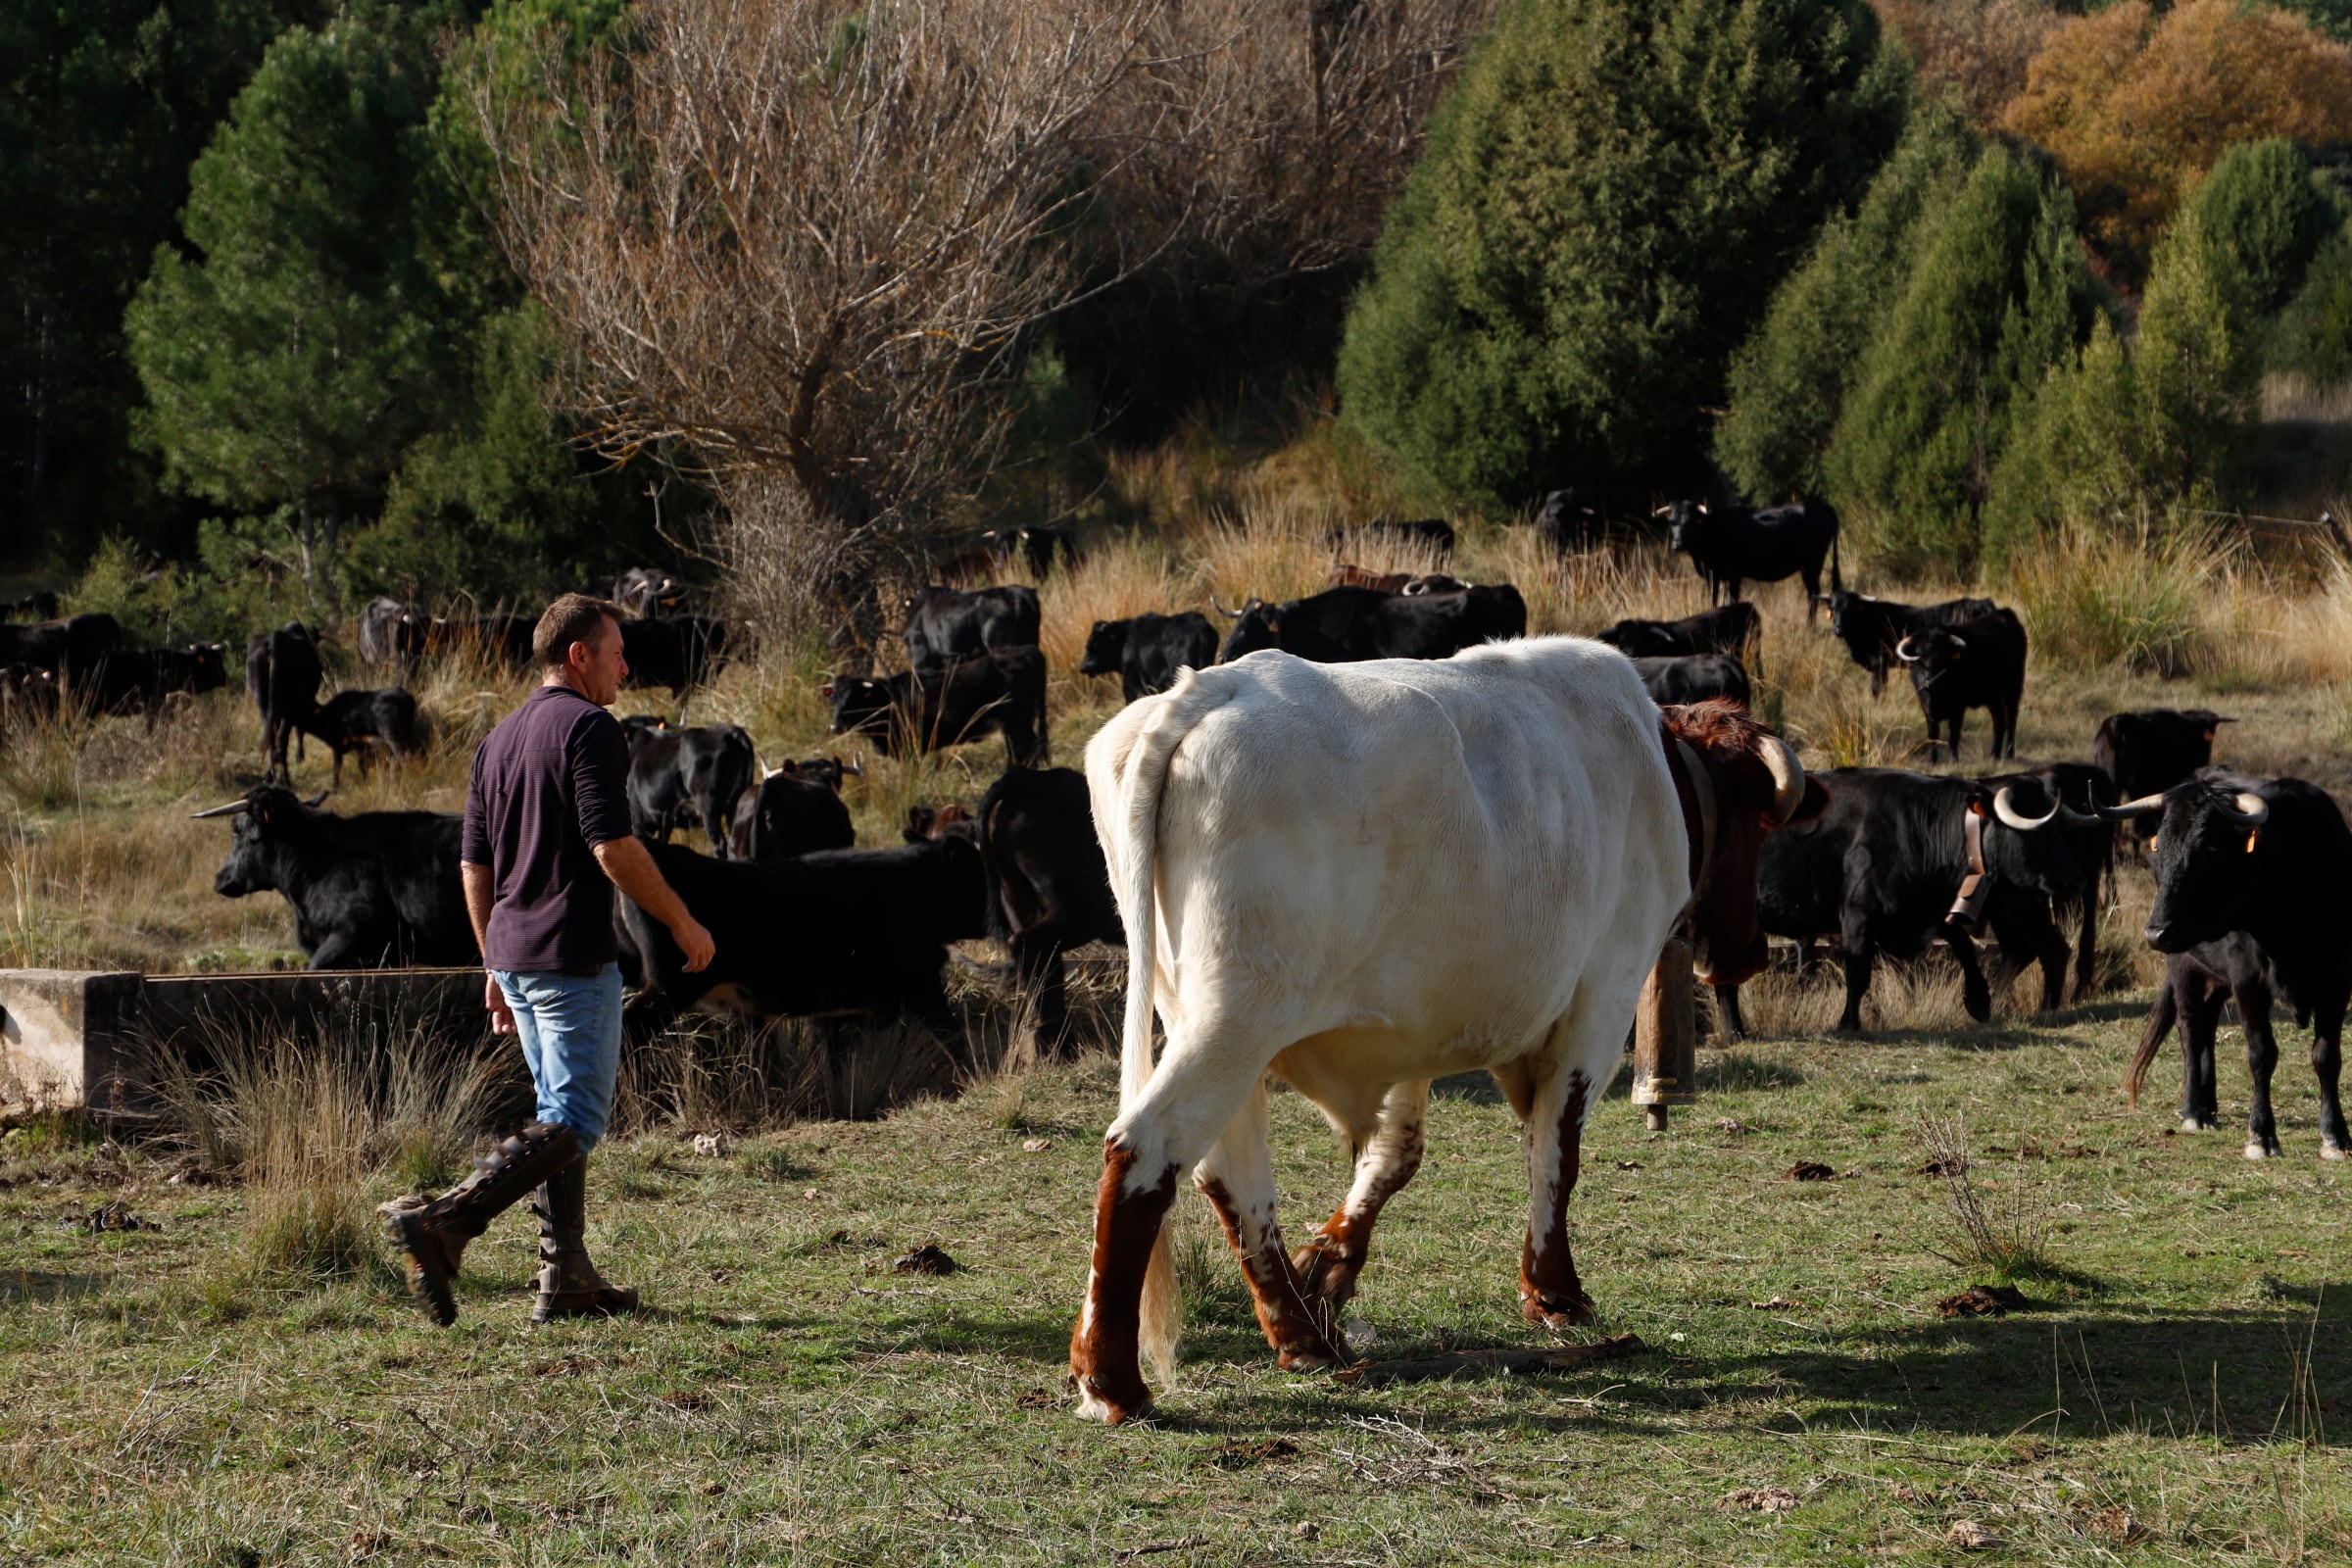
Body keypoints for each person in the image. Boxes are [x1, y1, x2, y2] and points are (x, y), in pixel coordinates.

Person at [384, 593, 715, 1325]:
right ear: (579, 656)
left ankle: (565, 1278)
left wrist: (494, 963)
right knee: (575, 1119)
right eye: (617, 653)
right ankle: (445, 1222)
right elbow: (612, 846)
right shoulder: (591, 727)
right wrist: (682, 921)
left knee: (553, 1114)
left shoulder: (497, 738)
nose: (625, 669)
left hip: (518, 958)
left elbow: (475, 867)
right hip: (570, 955)